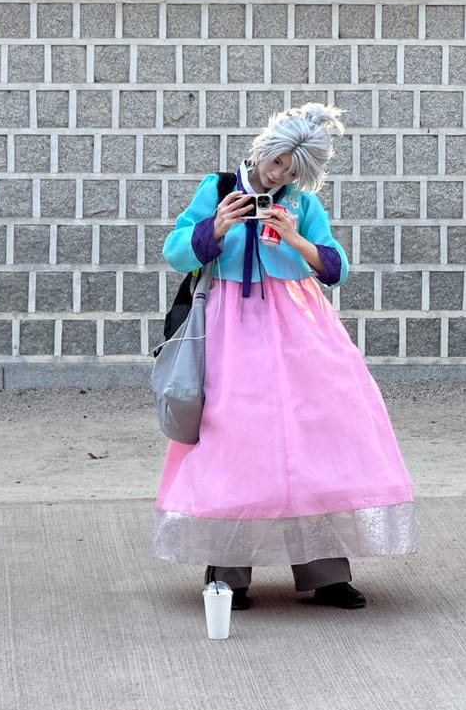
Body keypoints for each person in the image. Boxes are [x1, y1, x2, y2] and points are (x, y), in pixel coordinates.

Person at [154, 103, 415, 611]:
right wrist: (218, 225)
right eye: (276, 163)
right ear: (263, 149)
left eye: (292, 172)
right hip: (229, 325)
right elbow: (176, 251)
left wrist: (295, 237)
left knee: (316, 433)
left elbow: (334, 267)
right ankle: (227, 572)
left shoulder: (300, 203)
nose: (278, 176)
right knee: (234, 436)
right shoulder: (217, 187)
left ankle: (325, 572)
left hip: (300, 325)